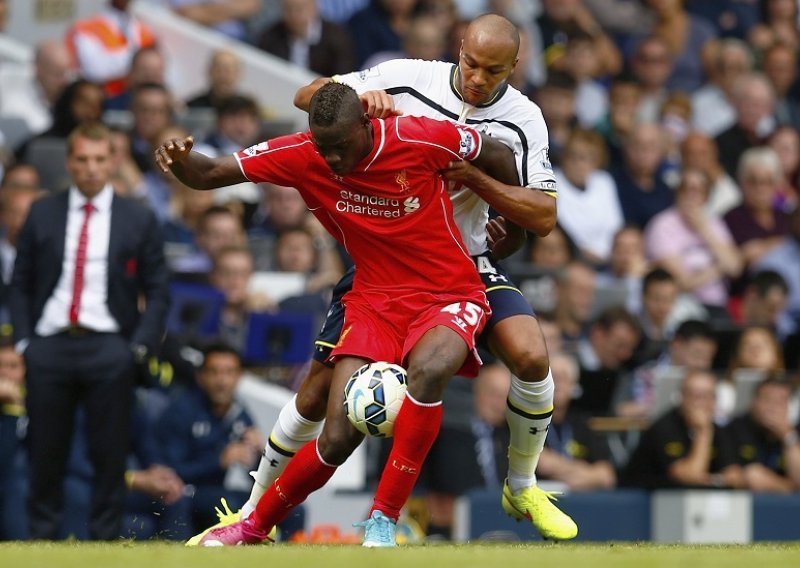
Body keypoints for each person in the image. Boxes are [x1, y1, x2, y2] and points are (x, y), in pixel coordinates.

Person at [156, 77, 565, 547]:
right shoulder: (304, 153)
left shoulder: (419, 136)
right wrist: (182, 162)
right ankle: (252, 526)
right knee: (335, 436)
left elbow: (495, 152)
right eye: (322, 147)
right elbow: (210, 174)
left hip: (448, 290)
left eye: (339, 146)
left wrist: (507, 226)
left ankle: (381, 523)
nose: (330, 159)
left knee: (429, 373)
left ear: (366, 126)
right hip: (372, 300)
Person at [9, 122, 170, 540]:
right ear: (69, 162)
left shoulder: (138, 217)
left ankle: (103, 543)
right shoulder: (43, 211)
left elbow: (157, 290)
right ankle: (41, 542)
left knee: (109, 454)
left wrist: (137, 347)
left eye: (100, 159)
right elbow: (21, 282)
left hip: (109, 346)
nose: (91, 168)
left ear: (113, 161)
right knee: (45, 453)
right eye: (82, 159)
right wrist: (27, 342)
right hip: (50, 343)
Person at [620, 369, 744, 489]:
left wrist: (712, 480)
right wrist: (703, 432)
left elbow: (735, 476)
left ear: (715, 401)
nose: (700, 403)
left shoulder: (718, 429)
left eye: (707, 396)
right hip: (638, 501)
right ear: (682, 397)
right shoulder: (664, 427)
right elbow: (690, 477)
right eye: (695, 396)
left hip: (687, 503)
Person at [725, 377, 800, 492]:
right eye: (767, 400)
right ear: (754, 402)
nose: (773, 407)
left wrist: (787, 436)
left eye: (780, 401)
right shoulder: (735, 427)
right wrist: (790, 487)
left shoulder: (793, 433)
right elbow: (752, 477)